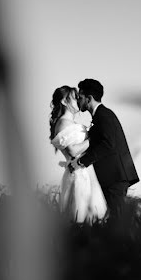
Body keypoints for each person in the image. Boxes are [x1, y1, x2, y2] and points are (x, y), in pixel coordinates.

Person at [68, 79, 139, 219]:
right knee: (116, 218)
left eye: (80, 97)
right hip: (114, 176)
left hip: (115, 177)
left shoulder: (103, 115)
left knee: (119, 219)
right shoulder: (101, 115)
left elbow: (108, 144)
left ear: (89, 99)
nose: (78, 101)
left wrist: (81, 162)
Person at [49, 86, 108, 223]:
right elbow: (73, 151)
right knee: (80, 216)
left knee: (93, 216)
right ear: (64, 101)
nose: (77, 99)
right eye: (74, 97)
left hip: (86, 172)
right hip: (78, 174)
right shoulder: (63, 123)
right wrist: (94, 138)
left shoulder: (71, 123)